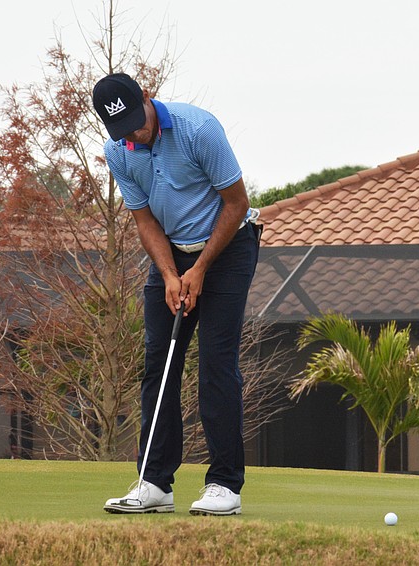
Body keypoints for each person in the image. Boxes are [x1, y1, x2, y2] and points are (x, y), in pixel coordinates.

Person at [92, 73, 260, 515]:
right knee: (159, 364)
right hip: (171, 254)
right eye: (122, 129)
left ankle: (224, 484)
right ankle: (155, 483)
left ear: (146, 98)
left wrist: (201, 267)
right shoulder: (118, 151)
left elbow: (236, 202)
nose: (134, 134)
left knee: (216, 363)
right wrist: (170, 274)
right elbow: (145, 219)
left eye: (136, 121)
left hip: (227, 246)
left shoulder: (198, 129)